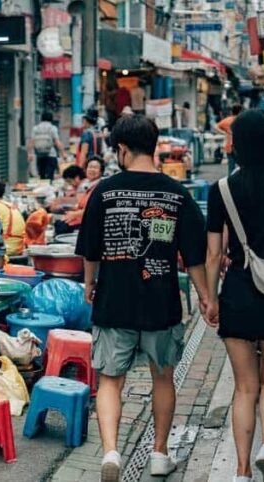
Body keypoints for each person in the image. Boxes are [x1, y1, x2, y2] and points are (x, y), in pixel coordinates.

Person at [75, 115, 209, 481]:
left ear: (120, 149)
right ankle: (159, 455)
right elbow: (194, 255)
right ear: (154, 147)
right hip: (160, 303)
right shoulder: (176, 193)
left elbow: (90, 249)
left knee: (110, 382)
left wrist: (89, 283)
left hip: (114, 301)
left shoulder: (104, 191)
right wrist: (206, 297)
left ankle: (111, 453)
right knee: (163, 379)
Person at [204, 110, 264, 482]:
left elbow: (211, 255)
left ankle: (241, 472)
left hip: (238, 292)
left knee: (244, 387)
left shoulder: (222, 190)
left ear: (237, 143)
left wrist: (209, 298)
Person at [55, 157, 105, 235]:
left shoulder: (101, 186)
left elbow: (95, 209)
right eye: (90, 167)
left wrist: (75, 214)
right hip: (81, 218)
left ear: (101, 171)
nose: (92, 170)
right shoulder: (89, 185)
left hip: (90, 222)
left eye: (95, 168)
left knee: (61, 226)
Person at [28, 111, 66, 181]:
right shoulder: (52, 128)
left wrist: (30, 153)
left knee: (42, 176)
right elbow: (57, 142)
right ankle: (48, 190)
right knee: (50, 177)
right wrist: (63, 153)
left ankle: (43, 189)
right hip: (51, 155)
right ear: (51, 119)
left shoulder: (35, 128)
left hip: (39, 155)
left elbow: (31, 142)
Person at [216, 104, 243, 174]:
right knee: (242, 166)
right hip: (240, 146)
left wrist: (224, 132)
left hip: (229, 146)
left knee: (231, 167)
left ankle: (231, 182)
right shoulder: (242, 120)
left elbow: (216, 127)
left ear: (232, 112)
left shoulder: (227, 120)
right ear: (240, 111)